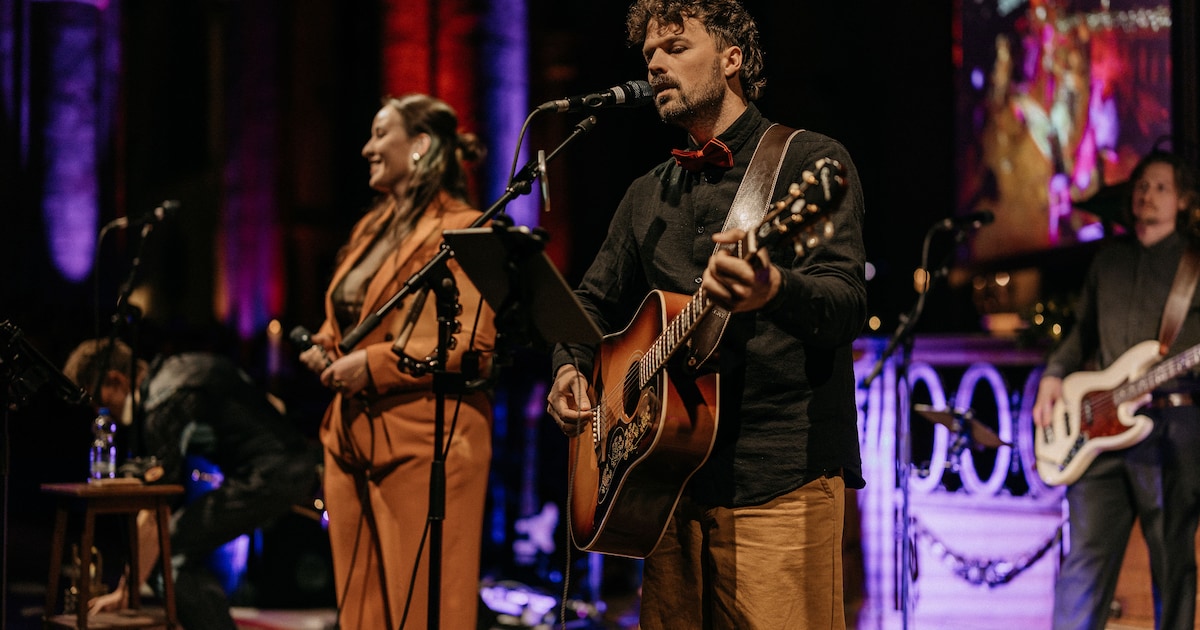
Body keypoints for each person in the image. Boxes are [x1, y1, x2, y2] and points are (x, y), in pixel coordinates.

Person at [544, 1, 868, 627]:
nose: (655, 65)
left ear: (731, 59)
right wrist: (569, 367)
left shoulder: (808, 161)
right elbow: (589, 302)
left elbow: (846, 305)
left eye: (675, 47)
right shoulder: (646, 193)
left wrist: (774, 289)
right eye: (649, 55)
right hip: (664, 487)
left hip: (777, 481)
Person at [297, 93, 496, 629]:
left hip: (425, 439)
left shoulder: (469, 228)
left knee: (425, 612)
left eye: (381, 134)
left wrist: (372, 365)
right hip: (349, 437)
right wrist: (326, 344)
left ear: (420, 145)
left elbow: (470, 340)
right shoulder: (371, 228)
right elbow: (353, 312)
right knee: (360, 615)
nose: (367, 148)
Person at [1032, 149, 1200, 630]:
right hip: (1098, 429)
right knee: (1083, 564)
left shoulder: (1195, 262)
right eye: (1142, 185)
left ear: (1183, 200)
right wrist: (1053, 374)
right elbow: (1082, 333)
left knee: (1172, 564)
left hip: (1171, 429)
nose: (1147, 194)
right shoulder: (1109, 260)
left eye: (1161, 187)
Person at [62, 337, 321, 630]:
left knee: (167, 557)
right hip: (287, 465)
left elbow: (157, 512)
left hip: (272, 475)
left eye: (96, 398)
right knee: (170, 550)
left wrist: (126, 589)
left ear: (116, 379)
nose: (98, 409)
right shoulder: (180, 367)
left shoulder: (163, 403)